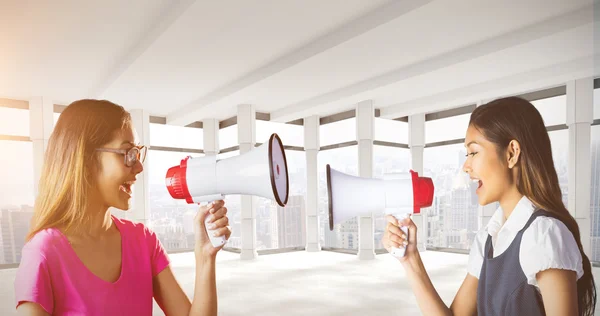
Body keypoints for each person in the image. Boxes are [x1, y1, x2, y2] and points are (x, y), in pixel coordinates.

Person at [14, 99, 231, 315]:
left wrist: (205, 257)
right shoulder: (43, 254)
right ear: (85, 159)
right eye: (128, 153)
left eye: (138, 153)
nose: (138, 167)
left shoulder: (143, 241)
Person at [382, 97, 596, 315]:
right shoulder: (488, 240)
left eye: (473, 152)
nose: (466, 166)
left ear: (511, 153)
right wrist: (410, 259)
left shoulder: (544, 235)